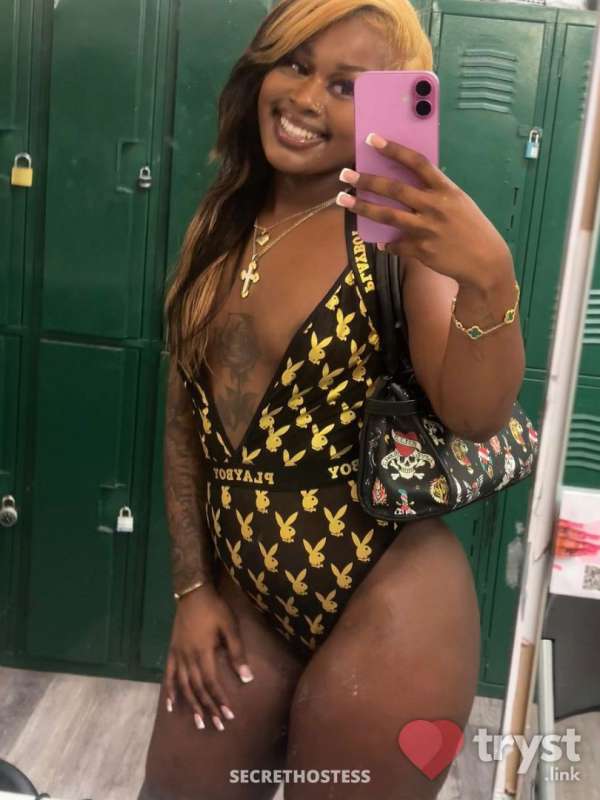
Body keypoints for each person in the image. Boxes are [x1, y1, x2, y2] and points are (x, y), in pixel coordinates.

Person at [138, 0, 525, 797]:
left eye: (348, 87)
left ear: (389, 108)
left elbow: (475, 415)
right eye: (296, 63)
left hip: (392, 600)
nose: (307, 98)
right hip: (247, 598)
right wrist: (193, 589)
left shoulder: (394, 231)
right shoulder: (221, 223)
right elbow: (185, 419)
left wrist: (489, 280)